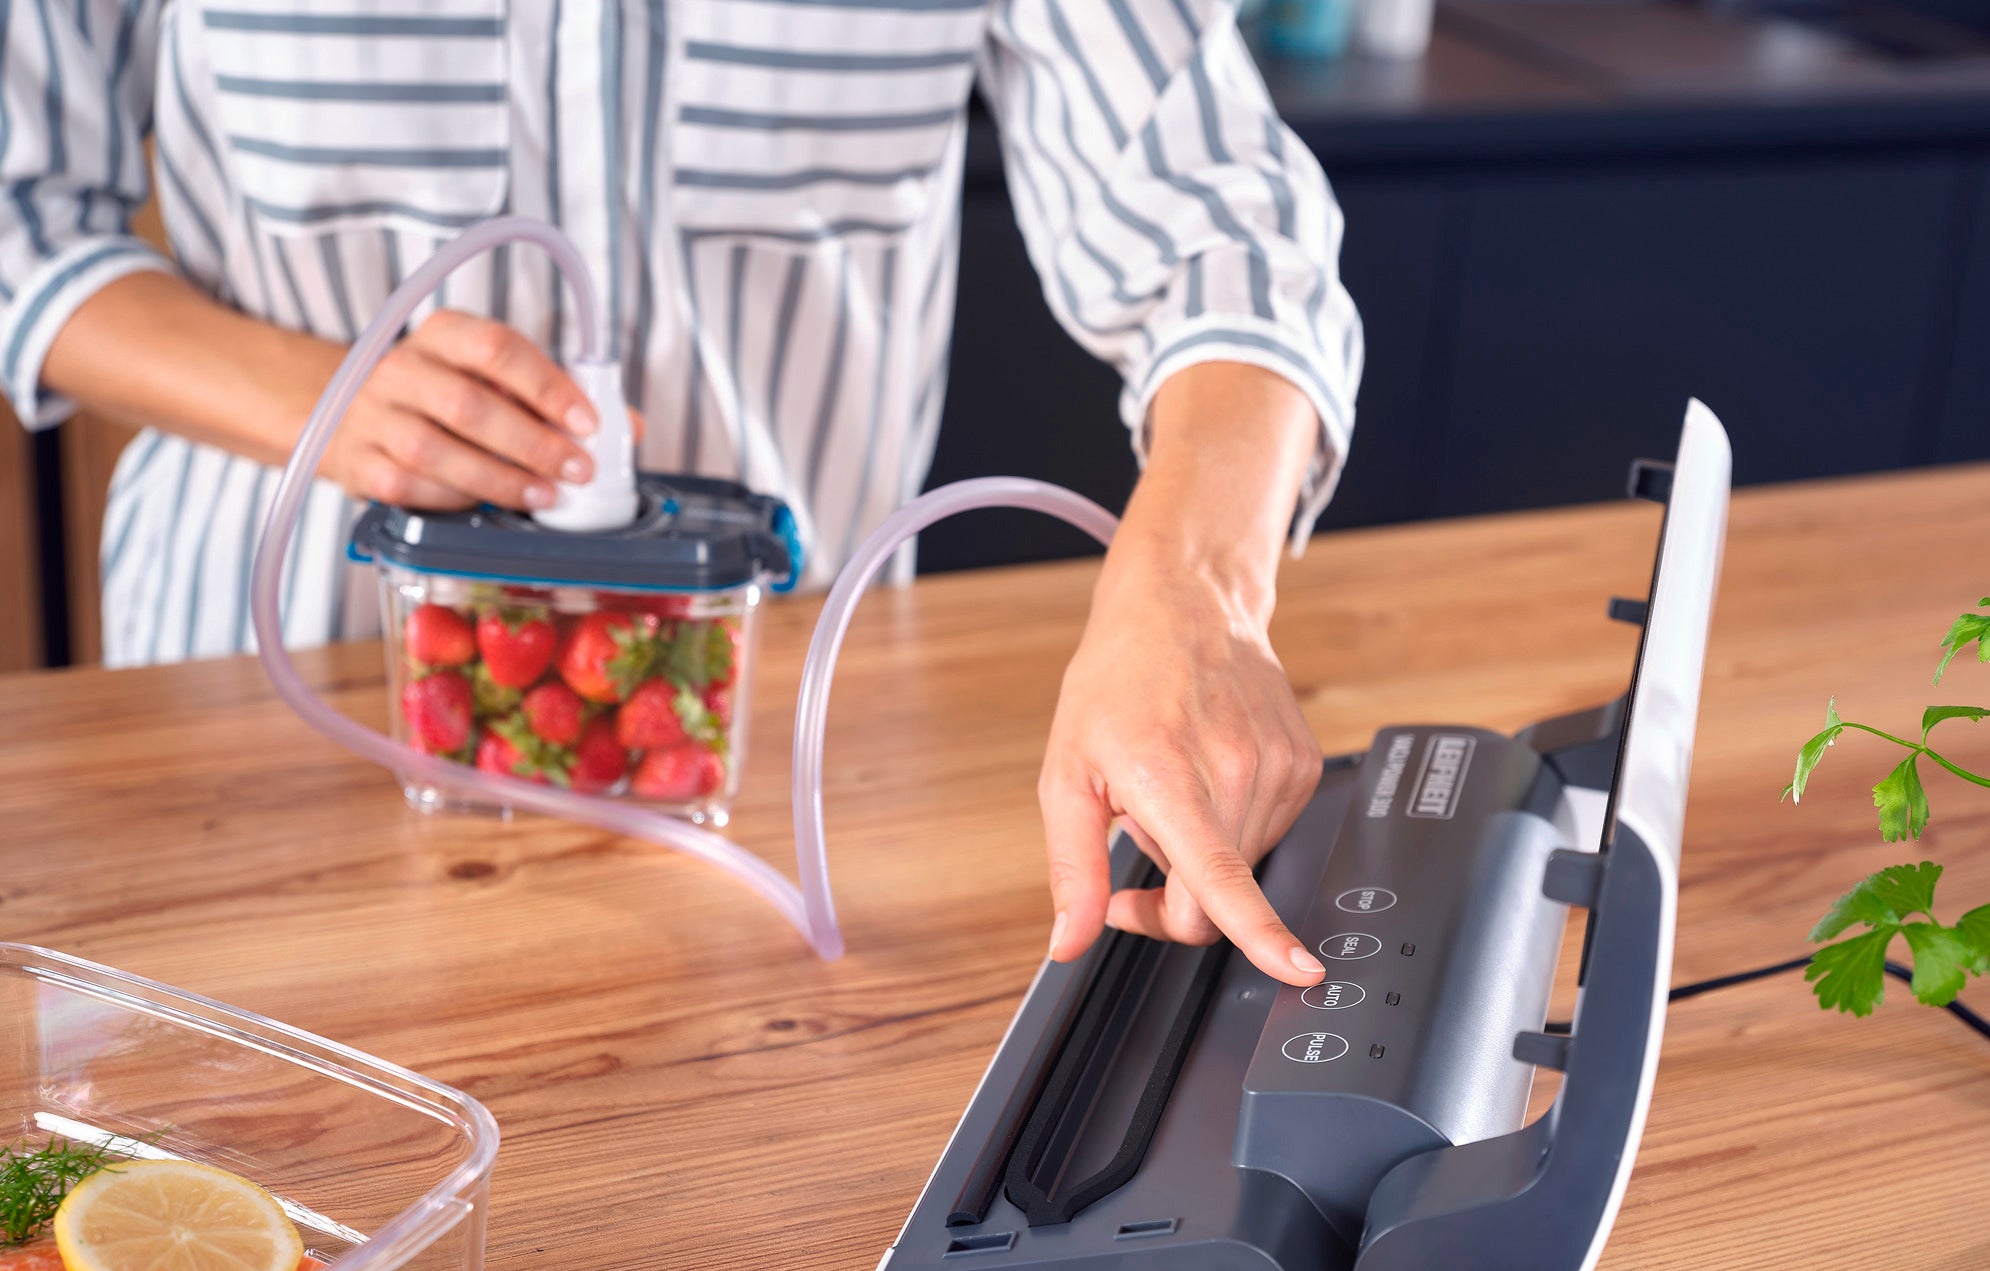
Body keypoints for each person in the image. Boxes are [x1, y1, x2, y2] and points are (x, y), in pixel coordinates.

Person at [1, 1, 1357, 988]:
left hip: (783, 758)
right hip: (246, 748)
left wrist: (1196, 588)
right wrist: (320, 396)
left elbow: (1228, 230)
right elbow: (22, 219)